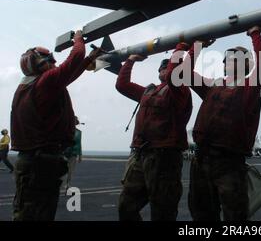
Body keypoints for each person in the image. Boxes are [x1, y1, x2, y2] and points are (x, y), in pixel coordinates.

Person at [10, 30, 100, 221]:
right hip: (40, 164)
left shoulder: (28, 86)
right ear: (42, 63)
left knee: (31, 212)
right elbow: (75, 58)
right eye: (51, 59)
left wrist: (89, 59)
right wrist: (78, 38)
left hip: (33, 162)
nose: (55, 63)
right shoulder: (45, 82)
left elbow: (69, 74)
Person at [185, 25, 261, 221]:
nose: (229, 61)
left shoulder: (251, 86)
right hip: (201, 159)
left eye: (236, 59)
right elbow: (185, 72)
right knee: (201, 214)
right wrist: (196, 46)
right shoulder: (212, 86)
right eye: (228, 59)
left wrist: (255, 34)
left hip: (229, 162)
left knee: (235, 217)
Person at [115, 43, 192, 221]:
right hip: (140, 154)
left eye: (169, 67)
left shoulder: (180, 91)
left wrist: (180, 47)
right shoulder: (148, 91)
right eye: (162, 67)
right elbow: (122, 85)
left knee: (163, 211)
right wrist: (130, 60)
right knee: (126, 207)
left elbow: (174, 75)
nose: (165, 69)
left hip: (164, 156)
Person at [63, 116, 83, 191]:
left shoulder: (79, 132)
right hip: (64, 153)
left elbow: (79, 144)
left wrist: (80, 155)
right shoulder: (65, 130)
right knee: (63, 170)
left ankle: (67, 185)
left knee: (70, 171)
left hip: (73, 154)